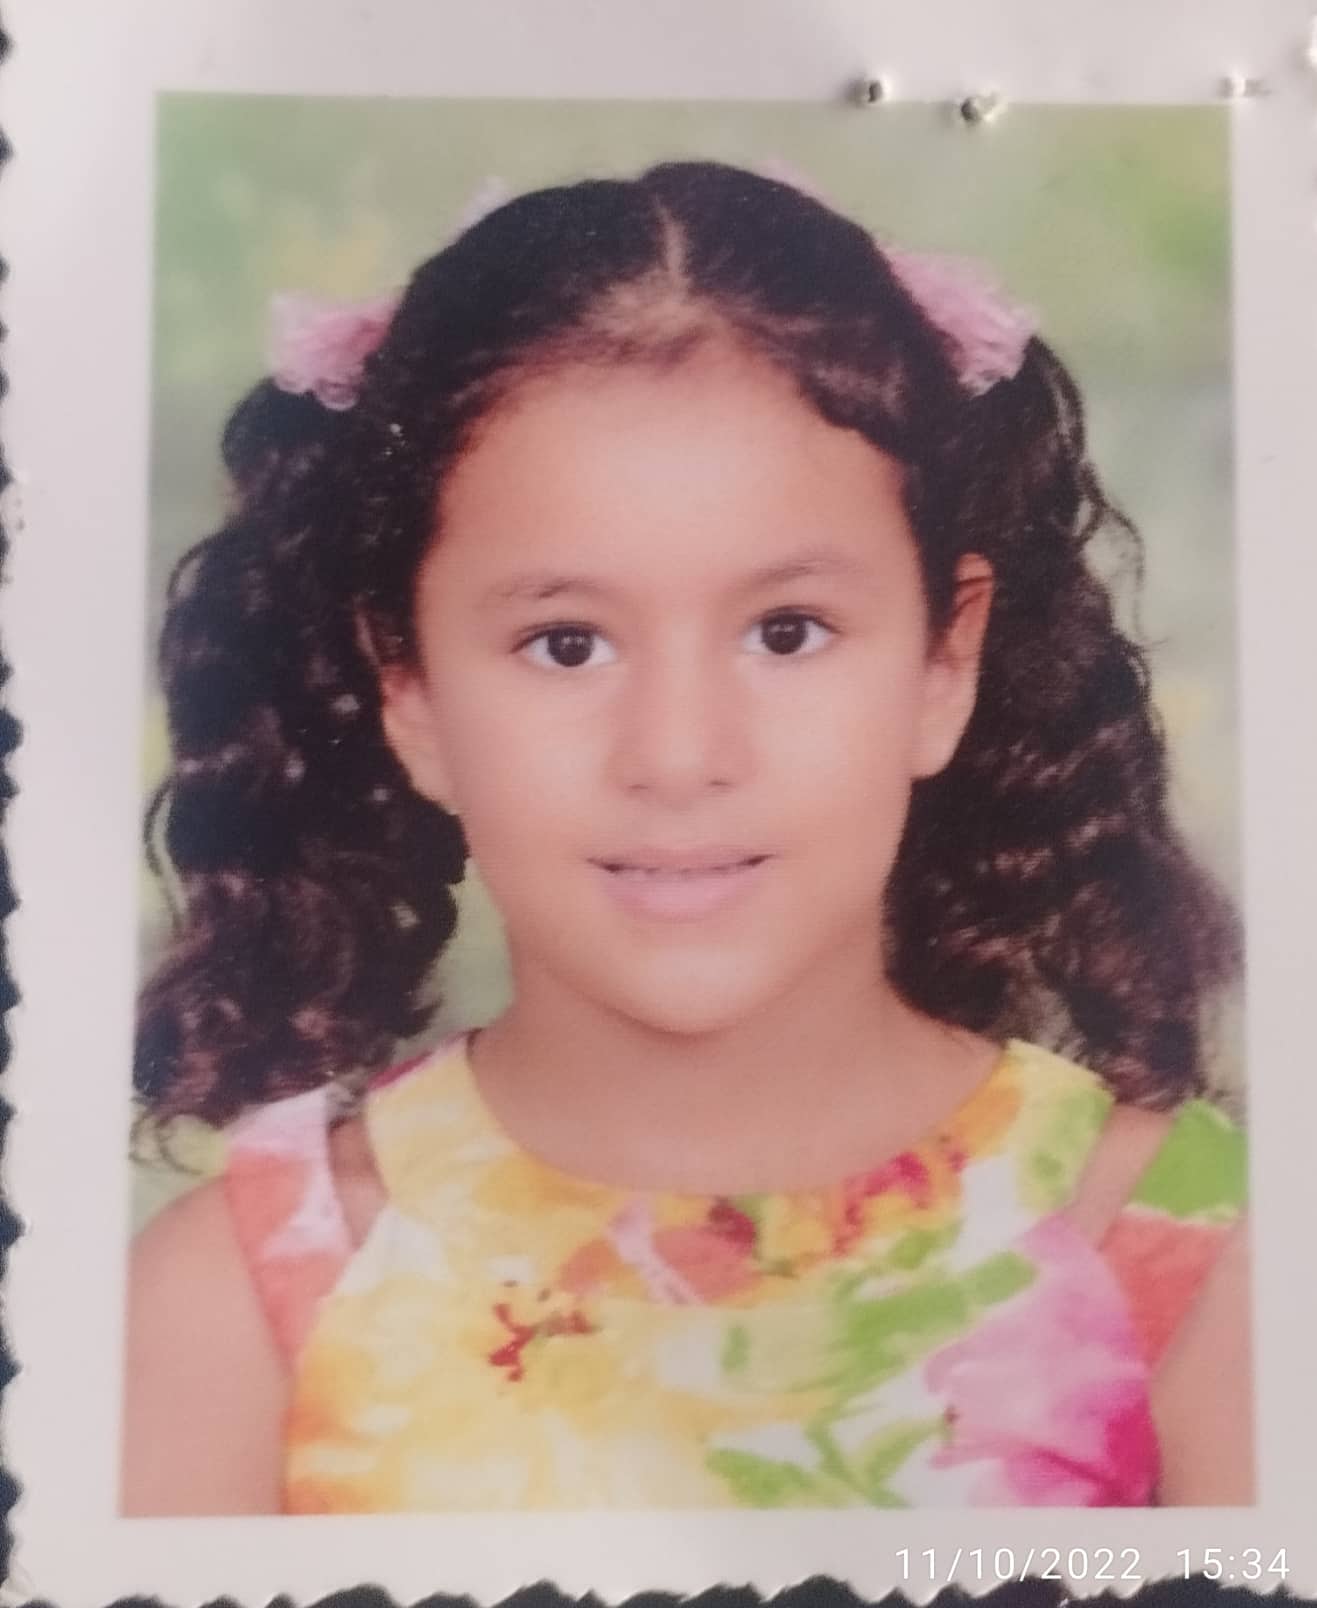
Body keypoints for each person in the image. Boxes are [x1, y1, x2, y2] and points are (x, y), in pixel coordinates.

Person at [122, 160, 1250, 1515]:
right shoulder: (241, 1299)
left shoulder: (1190, 1252)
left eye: (787, 632)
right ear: (408, 690)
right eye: (565, 644)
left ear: (943, 663)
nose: (676, 754)